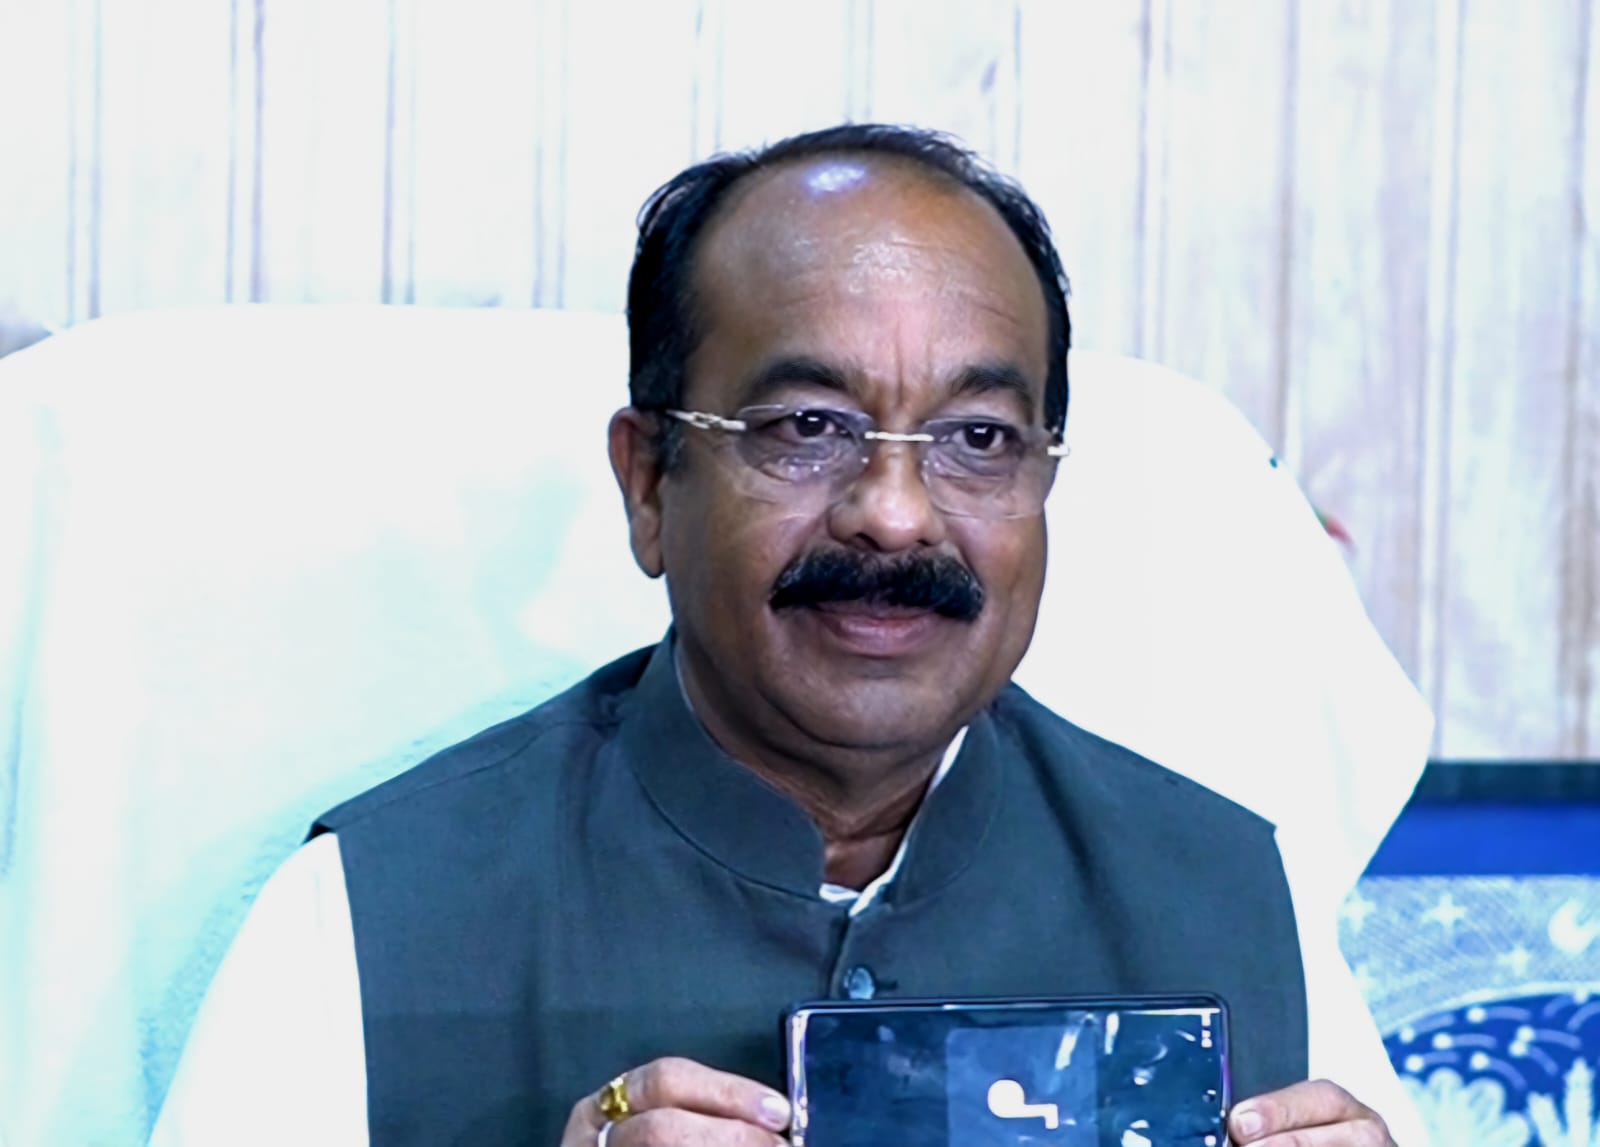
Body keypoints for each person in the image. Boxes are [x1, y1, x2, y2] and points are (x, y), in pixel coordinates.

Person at [152, 124, 1421, 1147]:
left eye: (978, 439)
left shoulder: (1226, 895)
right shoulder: (373, 916)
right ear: (649, 485)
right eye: (808, 427)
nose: (893, 512)